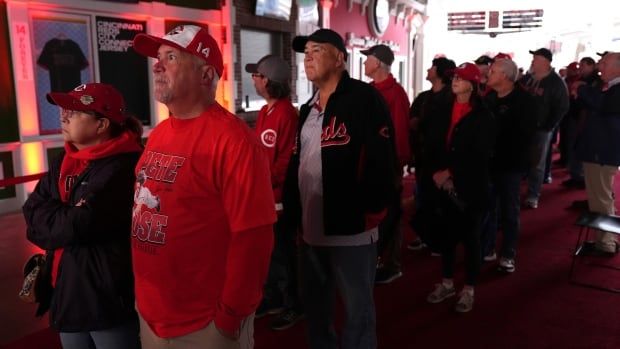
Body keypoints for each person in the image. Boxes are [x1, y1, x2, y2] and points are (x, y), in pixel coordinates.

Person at [131, 25, 277, 348]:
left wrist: (229, 317)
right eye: (158, 57)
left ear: (206, 74)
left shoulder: (235, 142)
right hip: (152, 315)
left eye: (171, 57)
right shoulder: (158, 135)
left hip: (205, 324)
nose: (157, 65)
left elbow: (254, 237)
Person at [284, 28, 397, 349]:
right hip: (310, 231)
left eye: (317, 50)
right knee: (317, 312)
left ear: (339, 59)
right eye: (306, 52)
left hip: (352, 230)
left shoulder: (364, 98)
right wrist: (294, 216)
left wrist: (371, 211)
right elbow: (299, 165)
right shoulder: (307, 109)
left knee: (358, 312)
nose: (307, 57)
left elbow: (383, 160)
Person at [23, 83, 143, 349]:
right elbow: (31, 212)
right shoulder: (64, 161)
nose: (64, 115)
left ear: (101, 125)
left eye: (75, 111)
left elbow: (80, 225)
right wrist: (63, 216)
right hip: (65, 293)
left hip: (106, 299)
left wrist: (56, 217)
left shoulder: (124, 167)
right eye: (65, 109)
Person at [426, 63, 495, 313]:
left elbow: (479, 154)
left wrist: (451, 173)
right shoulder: (445, 108)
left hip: (471, 187)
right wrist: (438, 173)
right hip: (443, 184)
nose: (455, 80)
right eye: (455, 76)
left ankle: (469, 289)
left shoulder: (483, 115)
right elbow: (435, 143)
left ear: (473, 84)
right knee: (447, 237)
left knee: (471, 239)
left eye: (462, 78)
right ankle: (446, 283)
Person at [245, 54, 303, 330]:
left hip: (278, 197)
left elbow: (285, 160)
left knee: (283, 253)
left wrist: (269, 185)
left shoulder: (284, 113)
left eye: (256, 75)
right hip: (265, 196)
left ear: (266, 80)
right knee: (269, 252)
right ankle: (274, 297)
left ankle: (293, 303)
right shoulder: (268, 110)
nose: (253, 80)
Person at [362, 44, 410, 284]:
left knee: (390, 213)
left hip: (388, 165)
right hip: (369, 163)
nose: (364, 63)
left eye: (367, 59)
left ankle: (392, 263)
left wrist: (397, 165)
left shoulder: (396, 94)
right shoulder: (369, 90)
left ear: (378, 63)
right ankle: (378, 257)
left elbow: (400, 133)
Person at [483, 58, 537, 272]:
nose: (489, 75)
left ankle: (508, 253)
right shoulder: (489, 99)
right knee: (488, 207)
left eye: (493, 71)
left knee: (509, 210)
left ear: (504, 76)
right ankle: (488, 247)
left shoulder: (524, 101)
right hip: (489, 162)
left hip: (511, 164)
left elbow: (526, 135)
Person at [408, 57, 456, 254]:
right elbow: (412, 118)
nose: (428, 69)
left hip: (441, 157)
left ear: (439, 73)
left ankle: (439, 240)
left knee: (440, 200)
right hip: (423, 155)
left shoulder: (451, 98)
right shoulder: (423, 97)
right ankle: (425, 235)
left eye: (432, 67)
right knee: (423, 198)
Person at [574, 52, 620, 255]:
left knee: (600, 199)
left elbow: (602, 105)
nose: (600, 65)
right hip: (599, 150)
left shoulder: (617, 89)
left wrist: (582, 89)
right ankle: (606, 239)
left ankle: (606, 244)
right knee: (600, 198)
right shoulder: (609, 87)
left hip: (602, 151)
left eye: (605, 62)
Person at [520, 48, 569, 209]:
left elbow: (562, 106)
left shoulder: (556, 82)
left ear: (546, 62)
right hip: (524, 126)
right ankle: (522, 188)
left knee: (537, 163)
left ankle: (534, 194)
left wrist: (549, 126)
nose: (533, 61)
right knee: (523, 158)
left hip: (542, 128)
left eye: (536, 58)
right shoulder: (528, 78)